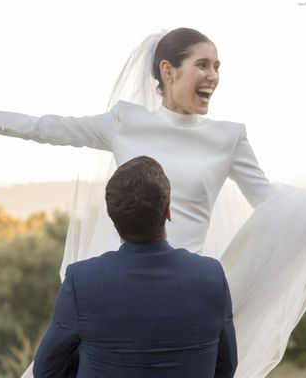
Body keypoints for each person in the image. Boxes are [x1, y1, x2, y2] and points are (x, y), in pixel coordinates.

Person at [0, 27, 306, 377]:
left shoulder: (228, 137)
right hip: (110, 287)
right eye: (202, 65)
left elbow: (273, 206)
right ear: (168, 70)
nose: (214, 76)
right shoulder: (125, 122)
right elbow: (39, 127)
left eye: (218, 66)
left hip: (186, 291)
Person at [33, 155, 238, 378]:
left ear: (113, 218)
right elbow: (225, 367)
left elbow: (46, 370)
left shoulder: (82, 280)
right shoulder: (211, 276)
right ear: (167, 211)